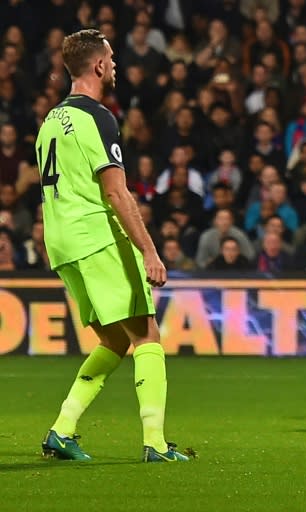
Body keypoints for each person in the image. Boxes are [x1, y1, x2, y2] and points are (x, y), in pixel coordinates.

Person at [35, 29, 190, 463]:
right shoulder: (98, 117)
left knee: (113, 340)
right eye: (112, 57)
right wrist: (150, 251)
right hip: (95, 234)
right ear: (99, 65)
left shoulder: (49, 121)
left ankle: (61, 430)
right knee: (146, 334)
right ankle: (156, 443)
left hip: (61, 242)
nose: (116, 64)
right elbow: (117, 193)